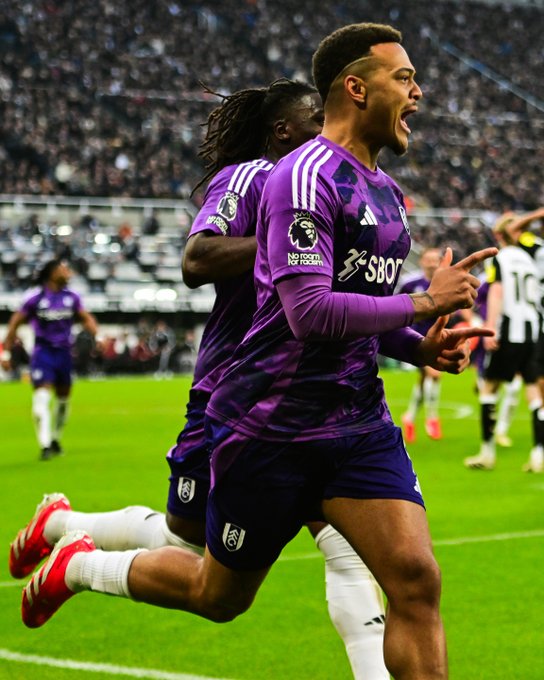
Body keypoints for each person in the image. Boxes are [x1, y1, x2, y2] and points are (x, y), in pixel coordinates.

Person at [16, 24, 496, 680]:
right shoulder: (298, 177)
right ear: (356, 88)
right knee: (216, 592)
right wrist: (422, 304)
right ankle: (80, 563)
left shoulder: (385, 193)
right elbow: (310, 311)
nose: (419, 92)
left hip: (357, 423)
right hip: (273, 425)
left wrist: (420, 347)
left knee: (415, 579)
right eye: (404, 78)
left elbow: (361, 310)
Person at [464, 216, 544, 472]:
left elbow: (497, 292)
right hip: (532, 330)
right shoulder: (529, 260)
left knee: (489, 388)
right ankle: (539, 454)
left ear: (498, 236)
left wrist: (490, 328)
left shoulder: (500, 258)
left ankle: (487, 453)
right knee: (534, 391)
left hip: (509, 330)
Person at [1, 258, 98, 460]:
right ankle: (44, 444)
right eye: (63, 269)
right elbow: (15, 323)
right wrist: (6, 353)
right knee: (41, 398)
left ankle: (55, 437)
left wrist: (97, 335)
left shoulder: (72, 297)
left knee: (63, 400)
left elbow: (86, 317)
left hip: (65, 353)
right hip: (43, 353)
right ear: (52, 273)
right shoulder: (35, 298)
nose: (67, 272)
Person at [399, 247, 443, 442]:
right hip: (414, 338)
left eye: (435, 260)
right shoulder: (411, 283)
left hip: (437, 336)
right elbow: (396, 305)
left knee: (430, 379)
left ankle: (409, 417)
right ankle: (432, 418)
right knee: (433, 374)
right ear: (422, 261)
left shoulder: (443, 283)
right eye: (428, 260)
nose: (432, 264)